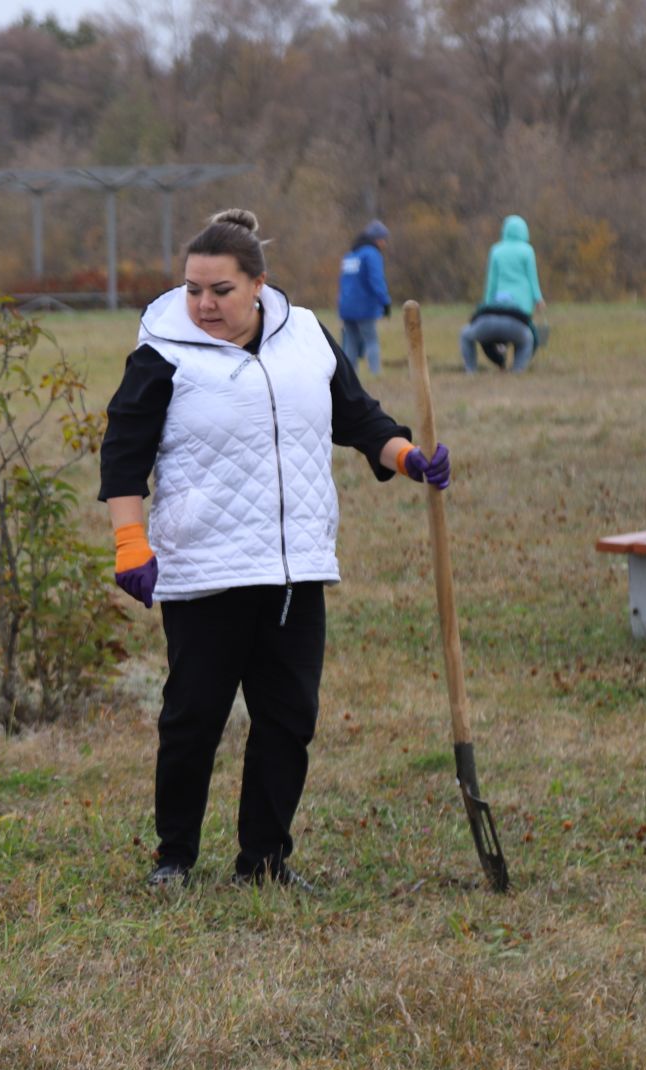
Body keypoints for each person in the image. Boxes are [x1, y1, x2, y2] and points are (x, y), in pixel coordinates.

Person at [98, 209, 453, 890]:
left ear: (257, 284)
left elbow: (357, 417)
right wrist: (129, 541)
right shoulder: (163, 352)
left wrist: (407, 457)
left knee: (288, 720)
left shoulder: (308, 340)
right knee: (194, 717)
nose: (203, 304)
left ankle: (264, 862)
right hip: (206, 565)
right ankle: (174, 857)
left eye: (220, 291)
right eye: (194, 289)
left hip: (295, 566)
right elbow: (123, 453)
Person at [461, 215, 546, 373]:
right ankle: (517, 369)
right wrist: (538, 298)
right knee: (528, 337)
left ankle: (473, 370)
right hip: (519, 311)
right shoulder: (527, 251)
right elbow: (532, 278)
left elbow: (491, 282)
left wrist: (486, 306)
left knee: (469, 335)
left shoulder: (496, 250)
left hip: (493, 309)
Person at [337, 219, 391, 375]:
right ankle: (376, 374)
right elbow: (376, 281)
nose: (385, 244)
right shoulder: (372, 254)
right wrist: (385, 302)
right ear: (377, 239)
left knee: (350, 343)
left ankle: (350, 377)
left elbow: (343, 282)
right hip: (364, 308)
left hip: (346, 307)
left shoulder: (350, 255)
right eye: (384, 240)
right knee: (371, 340)